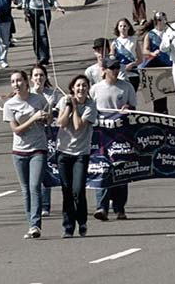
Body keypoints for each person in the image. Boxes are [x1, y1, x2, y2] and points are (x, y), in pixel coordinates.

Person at [2, 69, 51, 239]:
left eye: (19, 81)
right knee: (25, 190)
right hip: (19, 151)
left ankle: (36, 225)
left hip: (38, 148)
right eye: (13, 82)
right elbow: (17, 130)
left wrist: (45, 117)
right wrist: (33, 118)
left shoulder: (38, 99)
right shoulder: (9, 105)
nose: (16, 84)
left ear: (26, 82)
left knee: (35, 186)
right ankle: (31, 224)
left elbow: (49, 120)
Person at [90, 57, 136, 221]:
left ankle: (119, 207)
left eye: (117, 68)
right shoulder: (95, 89)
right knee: (102, 170)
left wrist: (128, 108)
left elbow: (134, 109)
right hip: (102, 136)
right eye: (111, 68)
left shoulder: (126, 87)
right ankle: (101, 207)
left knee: (120, 172)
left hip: (120, 137)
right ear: (104, 70)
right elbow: (90, 109)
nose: (115, 71)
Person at [56, 74, 97, 238]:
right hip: (63, 153)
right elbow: (61, 123)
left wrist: (74, 107)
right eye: (78, 86)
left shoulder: (90, 106)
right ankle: (68, 226)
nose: (81, 89)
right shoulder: (64, 102)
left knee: (78, 190)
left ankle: (82, 221)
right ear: (72, 88)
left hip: (81, 153)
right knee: (66, 190)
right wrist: (68, 107)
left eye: (84, 86)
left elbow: (79, 126)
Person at [30, 64, 63, 217]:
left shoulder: (53, 94)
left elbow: (65, 108)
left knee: (52, 169)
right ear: (31, 79)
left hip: (54, 137)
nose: (39, 78)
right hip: (34, 138)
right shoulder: (27, 94)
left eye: (41, 75)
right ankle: (41, 205)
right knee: (39, 173)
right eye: (36, 75)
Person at [26, 0, 64, 66]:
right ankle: (38, 55)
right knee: (35, 34)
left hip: (44, 11)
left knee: (42, 34)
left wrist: (57, 7)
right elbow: (26, 0)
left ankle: (44, 57)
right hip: (32, 11)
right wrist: (25, 11)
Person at [140, 12, 171, 113]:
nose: (164, 22)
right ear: (156, 21)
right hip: (156, 66)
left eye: (165, 19)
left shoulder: (169, 32)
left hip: (168, 66)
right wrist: (152, 53)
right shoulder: (150, 35)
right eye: (161, 20)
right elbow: (145, 51)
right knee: (158, 94)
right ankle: (160, 113)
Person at [112, 17, 142, 92]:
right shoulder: (115, 43)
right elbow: (111, 59)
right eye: (121, 26)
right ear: (118, 28)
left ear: (129, 27)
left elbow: (140, 59)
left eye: (125, 26)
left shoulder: (134, 41)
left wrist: (132, 64)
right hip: (120, 75)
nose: (123, 28)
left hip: (133, 74)